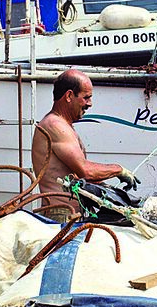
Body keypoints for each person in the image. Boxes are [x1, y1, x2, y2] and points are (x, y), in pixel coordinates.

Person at [32, 69, 139, 222]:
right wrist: (118, 170)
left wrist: (111, 192)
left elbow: (76, 176)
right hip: (61, 216)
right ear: (69, 96)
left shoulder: (63, 125)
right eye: (86, 97)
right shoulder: (55, 125)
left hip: (74, 214)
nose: (90, 104)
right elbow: (85, 171)